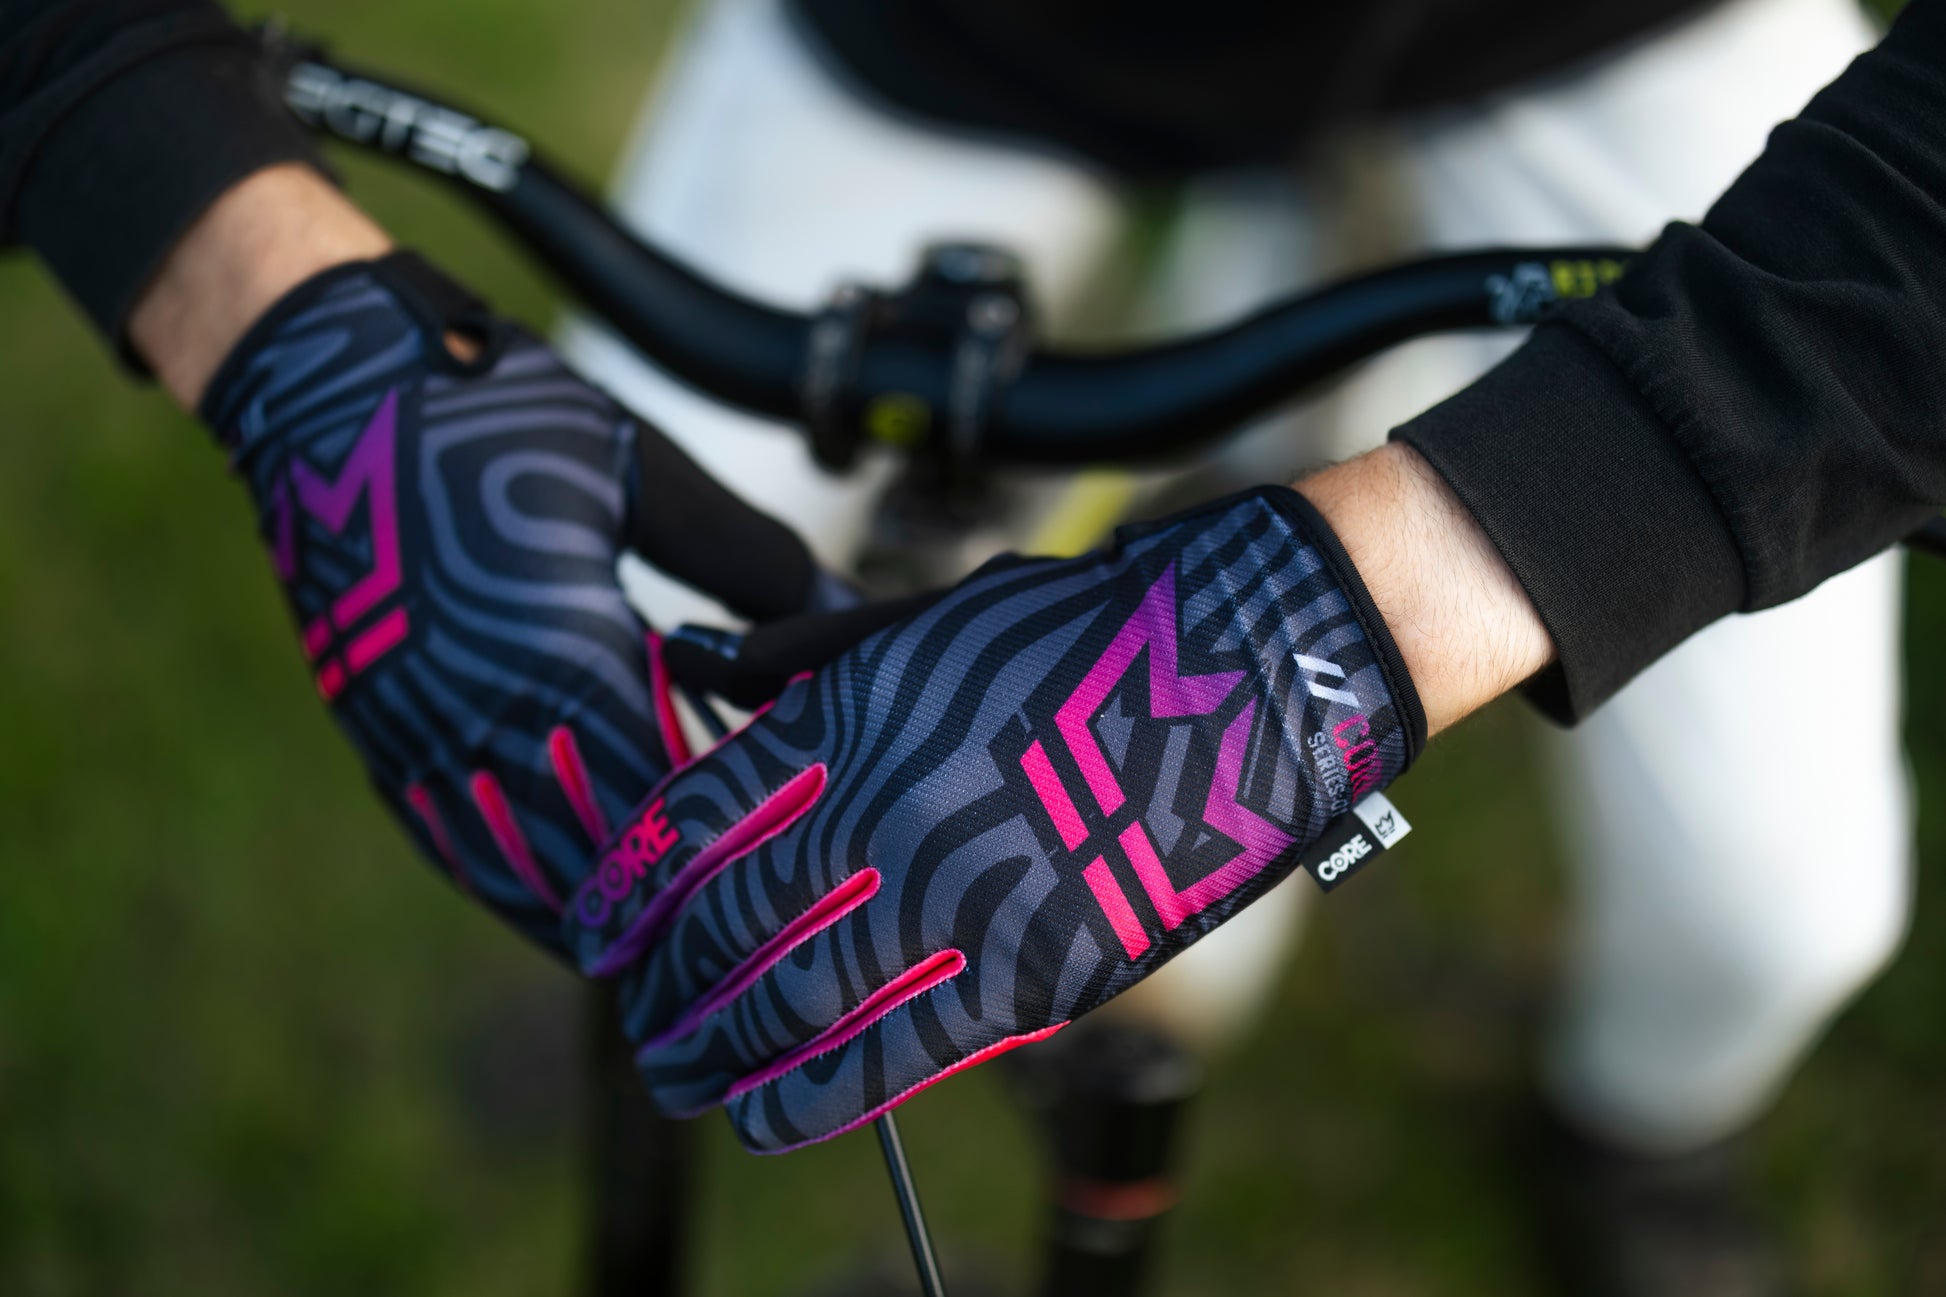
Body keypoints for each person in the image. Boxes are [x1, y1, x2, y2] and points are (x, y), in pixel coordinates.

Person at [2, 0, 1942, 1292]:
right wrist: (260, 306)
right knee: (596, 679)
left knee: (1767, 906)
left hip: (1617, 40)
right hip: (943, 37)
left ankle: (1639, 1130)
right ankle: (646, 961)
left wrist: (1424, 572)